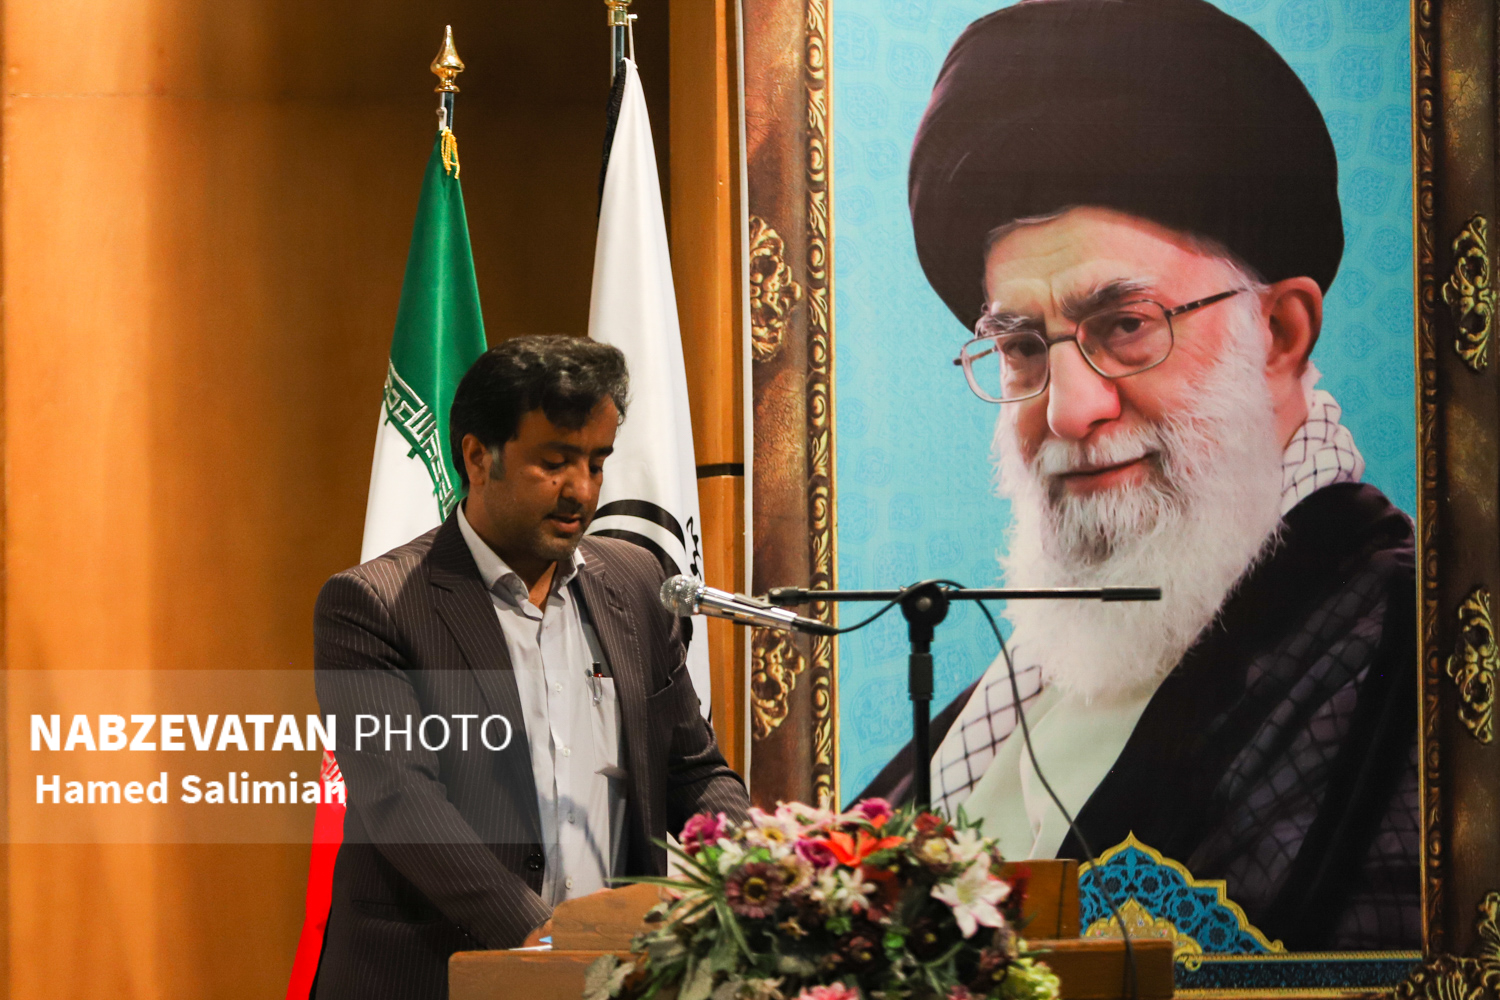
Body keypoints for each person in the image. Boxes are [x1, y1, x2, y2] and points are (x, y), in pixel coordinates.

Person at [861, 0, 1418, 951]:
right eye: (1024, 347)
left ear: (1279, 335)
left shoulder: (1406, 654)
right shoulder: (1031, 681)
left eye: (1125, 325)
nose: (1069, 410)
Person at [313, 335, 750, 1000]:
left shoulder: (636, 581)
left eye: (597, 463)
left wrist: (758, 877)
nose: (582, 490)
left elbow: (692, 770)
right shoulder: (375, 604)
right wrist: (549, 940)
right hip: (436, 974)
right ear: (477, 456)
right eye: (555, 462)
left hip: (618, 974)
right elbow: (402, 802)